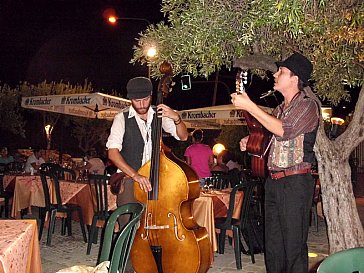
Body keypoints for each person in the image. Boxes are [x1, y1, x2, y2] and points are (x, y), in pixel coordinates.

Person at [232, 52, 319, 273]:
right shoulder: (279, 109)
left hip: (296, 183)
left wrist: (250, 106)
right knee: (273, 247)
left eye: (281, 71)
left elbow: (285, 130)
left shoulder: (308, 107)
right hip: (274, 183)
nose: (276, 74)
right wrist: (251, 140)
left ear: (294, 79)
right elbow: (270, 139)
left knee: (293, 247)